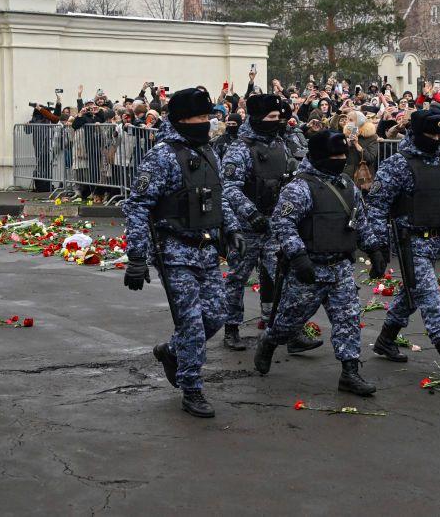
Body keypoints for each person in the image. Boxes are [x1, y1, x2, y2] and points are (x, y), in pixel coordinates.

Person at [121, 88, 246, 418]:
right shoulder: (162, 156)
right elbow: (137, 206)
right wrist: (136, 257)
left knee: (217, 315)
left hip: (205, 249)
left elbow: (217, 196)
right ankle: (192, 387)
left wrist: (231, 229)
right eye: (199, 118)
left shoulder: (208, 152)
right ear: (180, 120)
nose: (206, 124)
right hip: (174, 250)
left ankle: (171, 351)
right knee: (191, 323)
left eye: (208, 118)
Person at [254, 132, 376, 396]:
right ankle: (270, 340)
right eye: (335, 157)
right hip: (309, 268)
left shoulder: (347, 185)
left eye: (344, 156)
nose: (341, 160)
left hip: (340, 267)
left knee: (349, 318)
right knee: (288, 322)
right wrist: (298, 256)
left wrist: (375, 248)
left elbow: (360, 220)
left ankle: (350, 371)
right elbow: (282, 223)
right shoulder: (300, 187)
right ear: (319, 156)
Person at [362, 110, 440, 375]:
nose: (436, 139)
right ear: (415, 133)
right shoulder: (397, 164)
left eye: (439, 134)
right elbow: (377, 208)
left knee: (412, 294)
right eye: (430, 134)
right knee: (429, 295)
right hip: (410, 241)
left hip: (437, 240)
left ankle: (386, 339)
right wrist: (377, 247)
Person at [220, 94, 319, 353]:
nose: (278, 121)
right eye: (272, 117)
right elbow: (229, 187)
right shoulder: (240, 149)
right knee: (237, 277)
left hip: (275, 225)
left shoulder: (281, 144)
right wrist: (250, 213)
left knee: (285, 277)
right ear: (257, 118)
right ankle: (231, 328)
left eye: (279, 117)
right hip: (247, 227)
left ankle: (289, 330)